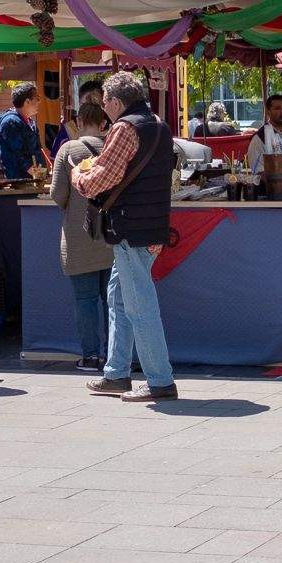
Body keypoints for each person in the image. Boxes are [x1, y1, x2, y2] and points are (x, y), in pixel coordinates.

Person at [75, 72, 180, 403]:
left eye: (103, 101)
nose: (102, 107)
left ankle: (160, 381)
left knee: (138, 305)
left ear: (116, 102)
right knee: (119, 298)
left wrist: (78, 172)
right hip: (150, 225)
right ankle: (116, 374)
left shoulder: (125, 128)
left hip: (130, 227)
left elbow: (99, 180)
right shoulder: (159, 126)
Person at [50, 101, 116, 371]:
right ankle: (116, 356)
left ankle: (90, 356)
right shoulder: (113, 149)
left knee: (86, 301)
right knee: (113, 302)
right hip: (111, 237)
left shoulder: (68, 150)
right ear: (103, 123)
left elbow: (57, 194)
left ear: (78, 121)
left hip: (79, 237)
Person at [0, 82, 45, 182]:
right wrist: (33, 170)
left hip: (34, 179)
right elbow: (17, 154)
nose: (39, 102)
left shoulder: (30, 123)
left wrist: (42, 169)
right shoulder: (10, 122)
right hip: (18, 182)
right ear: (27, 102)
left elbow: (38, 149)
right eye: (37, 98)